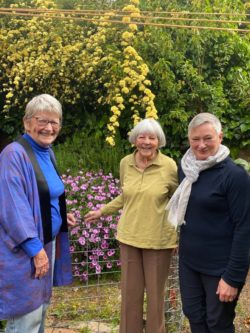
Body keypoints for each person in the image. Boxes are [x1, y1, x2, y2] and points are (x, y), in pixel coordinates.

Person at [85, 118, 178, 333]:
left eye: (151, 138)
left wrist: (177, 235)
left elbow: (178, 203)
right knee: (130, 297)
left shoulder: (169, 166)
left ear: (159, 141)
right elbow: (126, 196)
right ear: (135, 140)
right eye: (142, 137)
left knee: (155, 299)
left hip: (158, 241)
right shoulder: (125, 162)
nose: (146, 142)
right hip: (128, 238)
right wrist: (101, 211)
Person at [167, 113, 250, 333]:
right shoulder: (186, 168)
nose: (201, 145)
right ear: (189, 139)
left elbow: (245, 228)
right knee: (194, 316)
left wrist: (232, 277)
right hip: (189, 262)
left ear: (220, 137)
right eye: (195, 139)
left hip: (220, 268)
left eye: (207, 138)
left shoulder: (235, 176)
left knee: (218, 324)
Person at [0, 94, 76, 333]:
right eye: (42, 120)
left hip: (46, 245)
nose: (49, 127)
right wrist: (36, 250)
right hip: (25, 250)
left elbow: (46, 193)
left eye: (55, 122)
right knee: (25, 317)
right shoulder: (13, 155)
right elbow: (13, 208)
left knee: (40, 310)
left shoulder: (47, 152)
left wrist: (61, 216)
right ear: (26, 122)